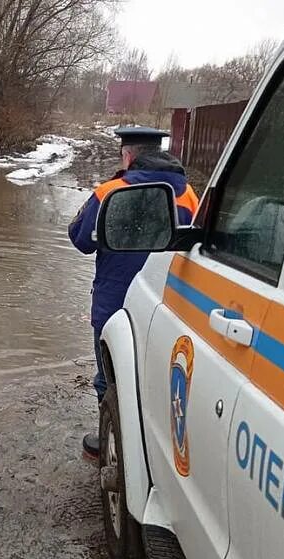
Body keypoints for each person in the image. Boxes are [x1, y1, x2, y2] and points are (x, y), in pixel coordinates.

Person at [68, 127, 199, 460]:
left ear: (128, 155)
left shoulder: (109, 191)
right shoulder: (189, 195)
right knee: (158, 375)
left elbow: (80, 239)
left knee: (110, 377)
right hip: (167, 303)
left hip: (116, 302)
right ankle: (155, 447)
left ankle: (110, 444)